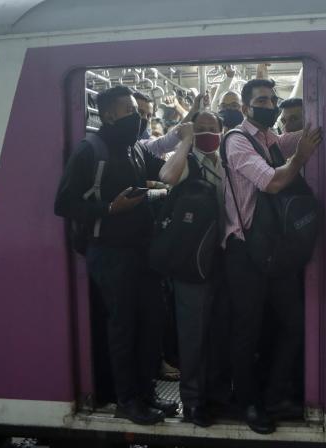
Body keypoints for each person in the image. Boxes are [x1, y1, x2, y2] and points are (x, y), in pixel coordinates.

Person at [54, 85, 178, 425]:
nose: (137, 117)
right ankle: (127, 400)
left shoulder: (134, 148)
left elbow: (164, 171)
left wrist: (188, 141)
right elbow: (63, 204)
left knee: (151, 322)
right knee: (124, 327)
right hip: (110, 253)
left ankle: (147, 392)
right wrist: (109, 208)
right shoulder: (90, 150)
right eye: (129, 111)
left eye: (137, 111)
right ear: (108, 115)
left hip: (142, 251)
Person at [222, 78, 322, 434]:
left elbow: (297, 138)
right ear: (245, 107)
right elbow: (271, 181)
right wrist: (301, 157)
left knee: (293, 323)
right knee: (247, 331)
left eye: (271, 99)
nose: (270, 104)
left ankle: (275, 394)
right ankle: (247, 403)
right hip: (244, 251)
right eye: (262, 100)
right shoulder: (236, 141)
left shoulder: (270, 138)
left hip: (273, 249)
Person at [158, 110, 228, 428]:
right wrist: (185, 141)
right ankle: (193, 402)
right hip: (191, 262)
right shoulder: (187, 161)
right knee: (193, 335)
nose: (207, 133)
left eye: (212, 128)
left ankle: (216, 396)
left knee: (218, 332)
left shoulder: (226, 161)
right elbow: (167, 177)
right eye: (200, 129)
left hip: (223, 258)